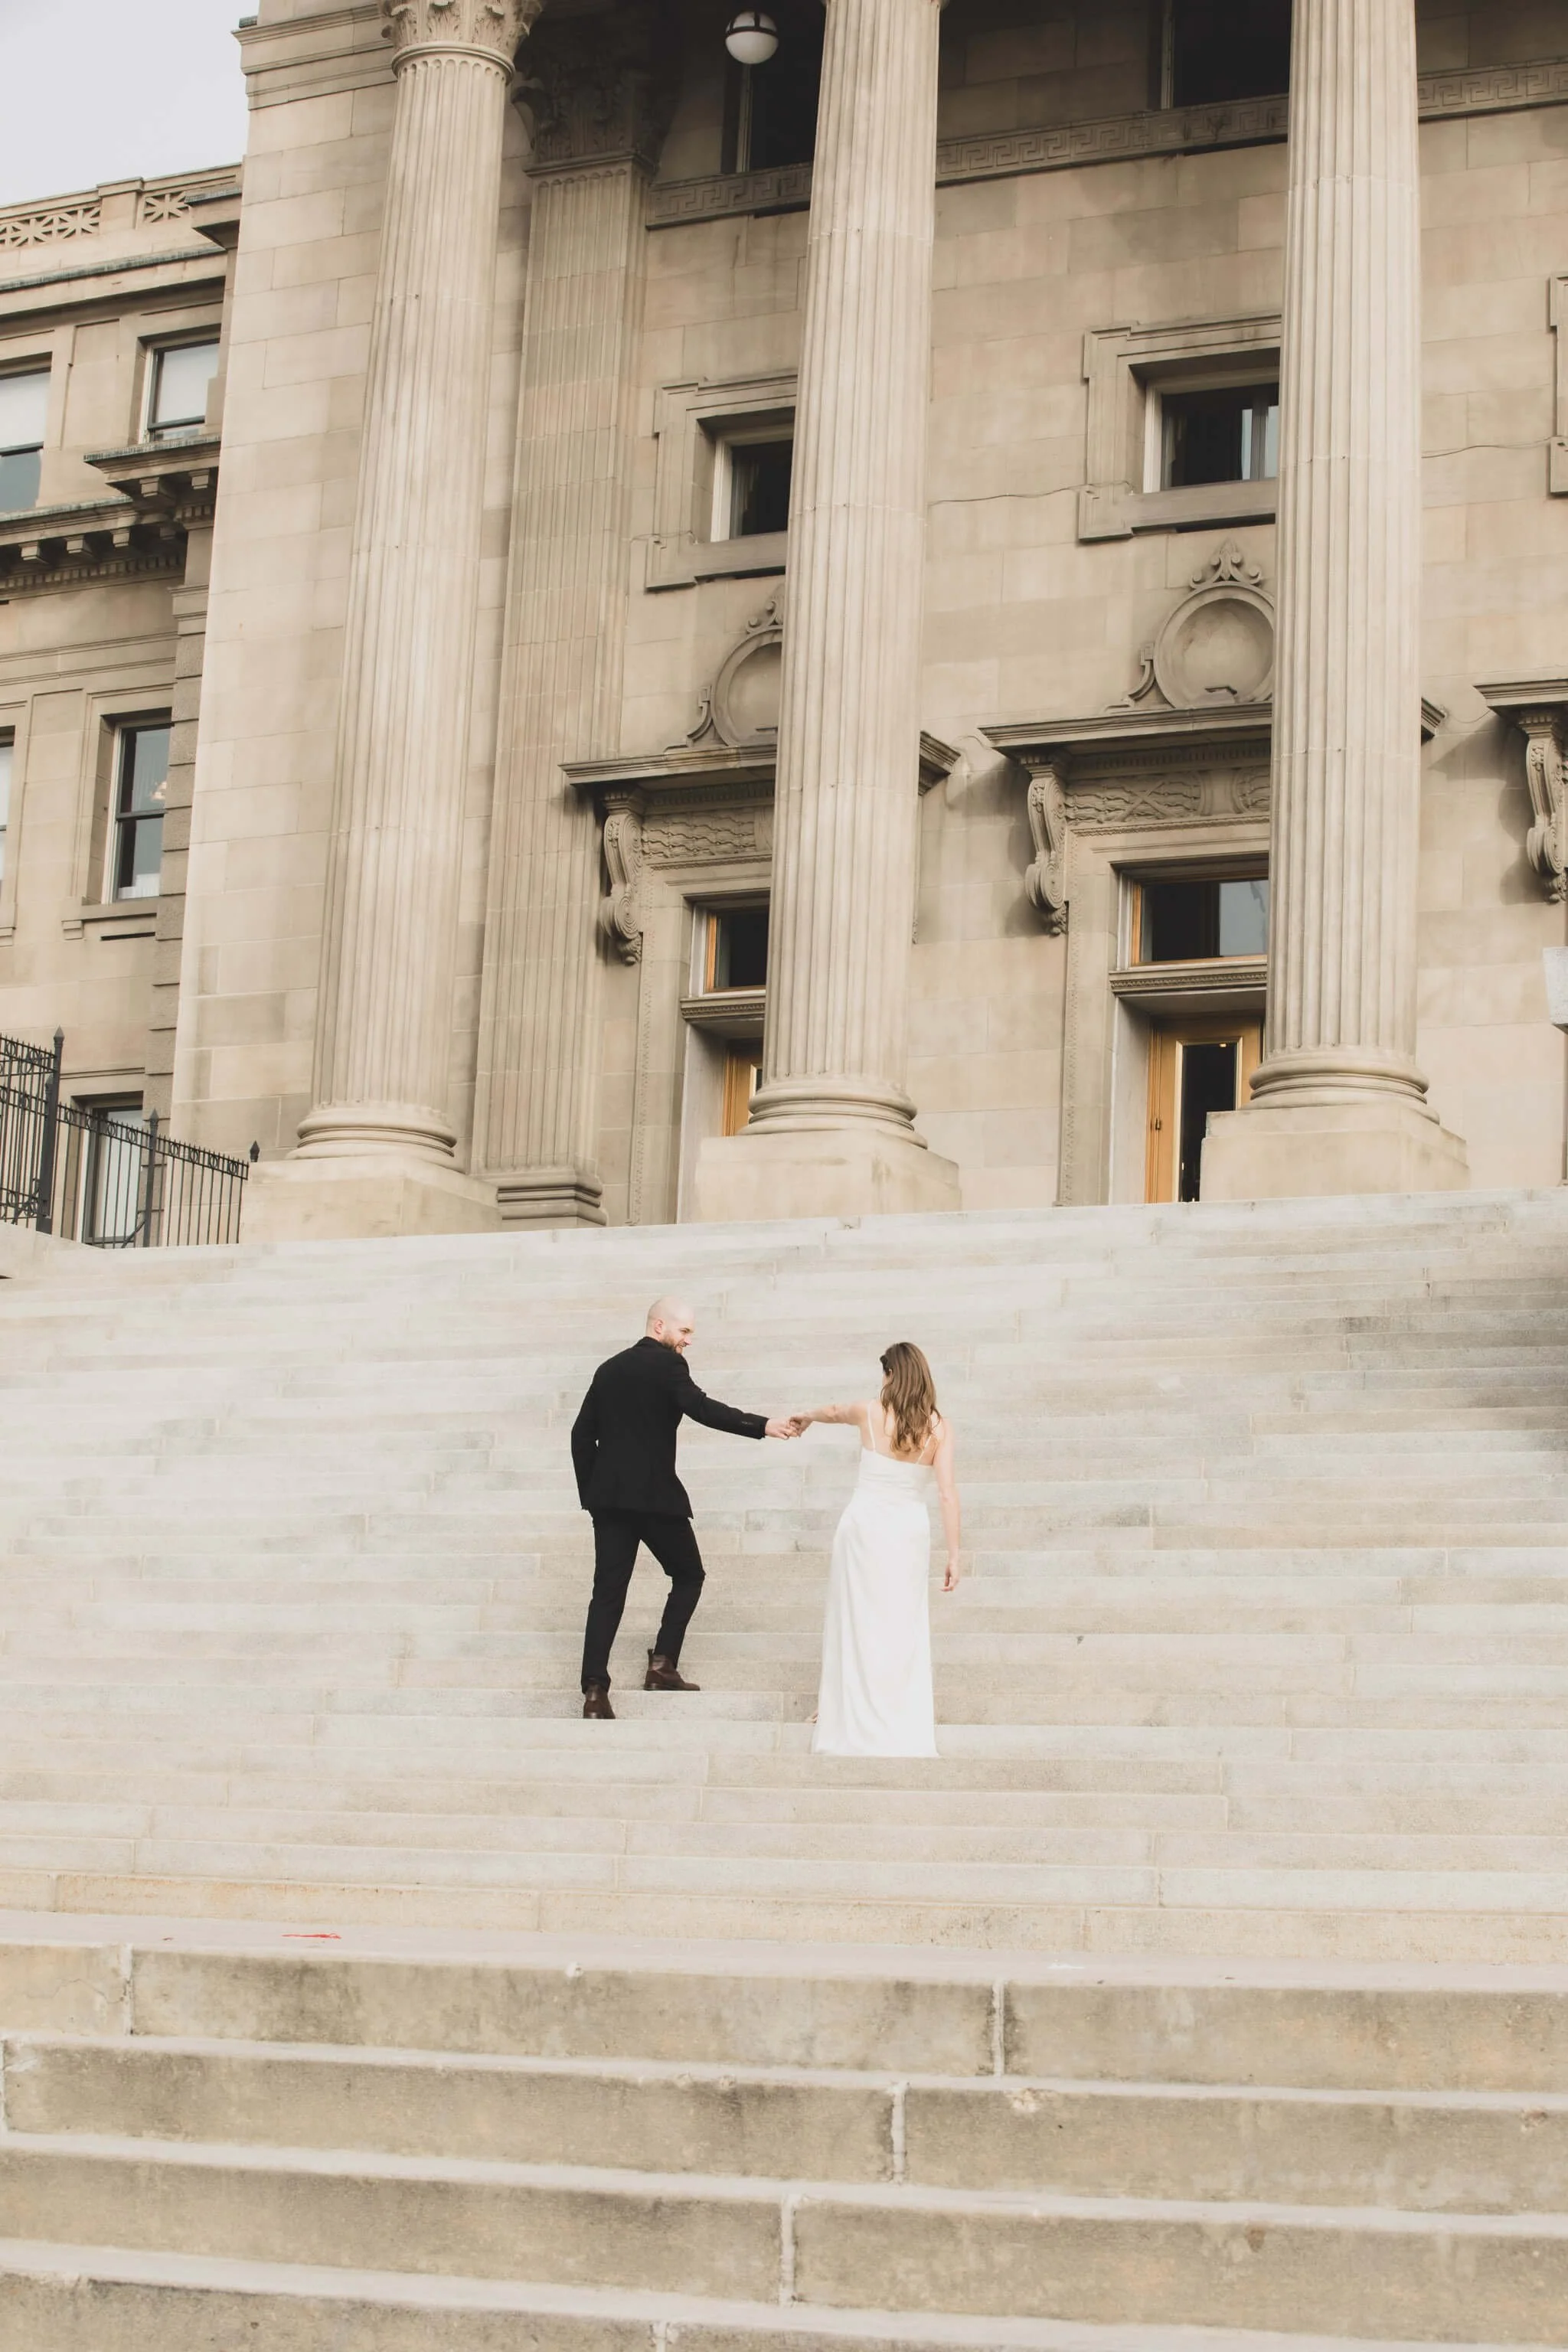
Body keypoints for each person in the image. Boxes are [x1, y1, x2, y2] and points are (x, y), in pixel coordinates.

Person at [571, 1297, 796, 1720]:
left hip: (611, 1502)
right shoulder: (669, 1366)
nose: (689, 1341)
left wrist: (594, 1495)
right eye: (685, 1331)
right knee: (689, 1575)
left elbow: (581, 1435)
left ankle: (595, 1693)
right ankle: (663, 1665)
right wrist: (762, 1425)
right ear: (659, 1326)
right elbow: (703, 1409)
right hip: (656, 1498)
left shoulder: (609, 1369)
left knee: (608, 1591)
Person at [787, 1341, 961, 1759]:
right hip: (907, 1532)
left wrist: (804, 1416)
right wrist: (954, 1554)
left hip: (864, 1527)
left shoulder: (870, 1411)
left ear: (889, 1375)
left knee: (855, 1617)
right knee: (901, 1623)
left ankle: (842, 1707)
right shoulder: (940, 1428)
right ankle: (893, 1708)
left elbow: (831, 1411)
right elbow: (948, 1494)